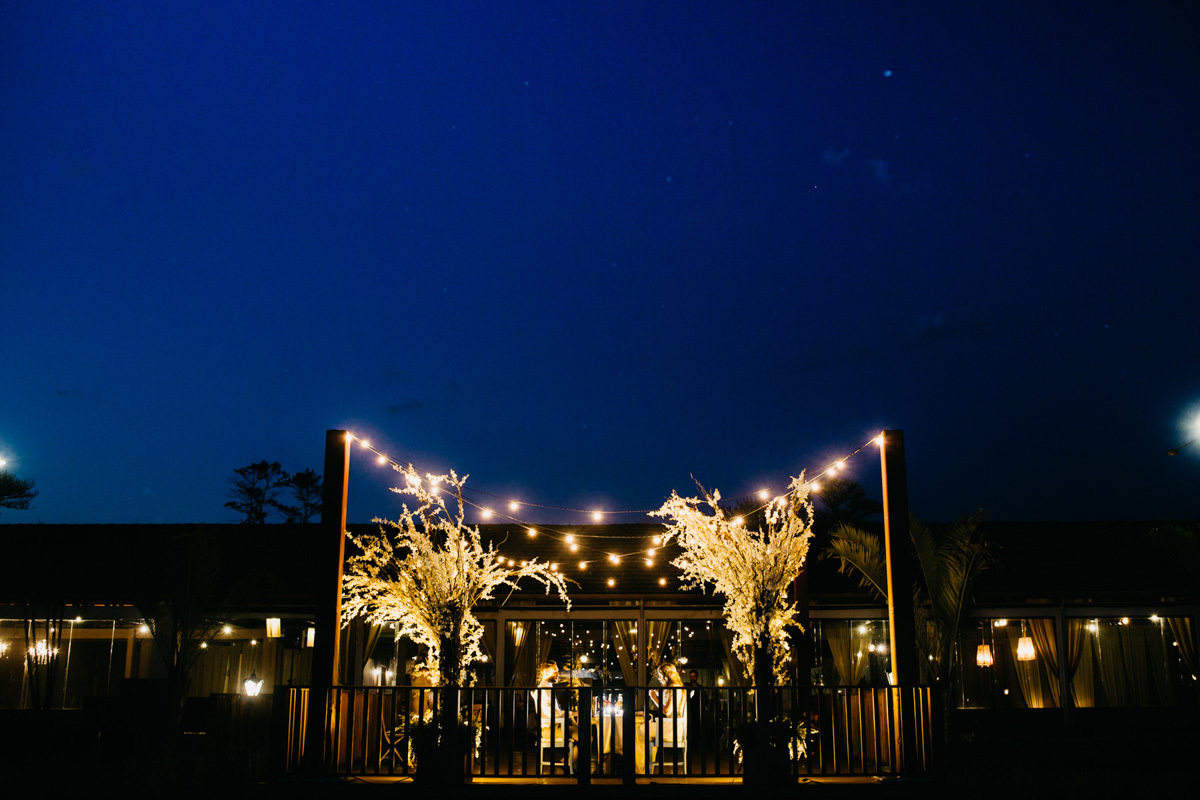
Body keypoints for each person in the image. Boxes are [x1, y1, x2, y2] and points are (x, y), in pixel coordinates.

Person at [533, 661, 578, 773]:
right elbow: (551, 713)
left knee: (583, 733)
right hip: (550, 729)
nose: (558, 674)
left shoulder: (548, 687)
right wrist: (573, 713)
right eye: (555, 671)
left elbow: (556, 712)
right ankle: (569, 764)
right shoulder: (543, 690)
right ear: (545, 673)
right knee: (585, 737)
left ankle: (569, 762)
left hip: (556, 725)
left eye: (558, 671)